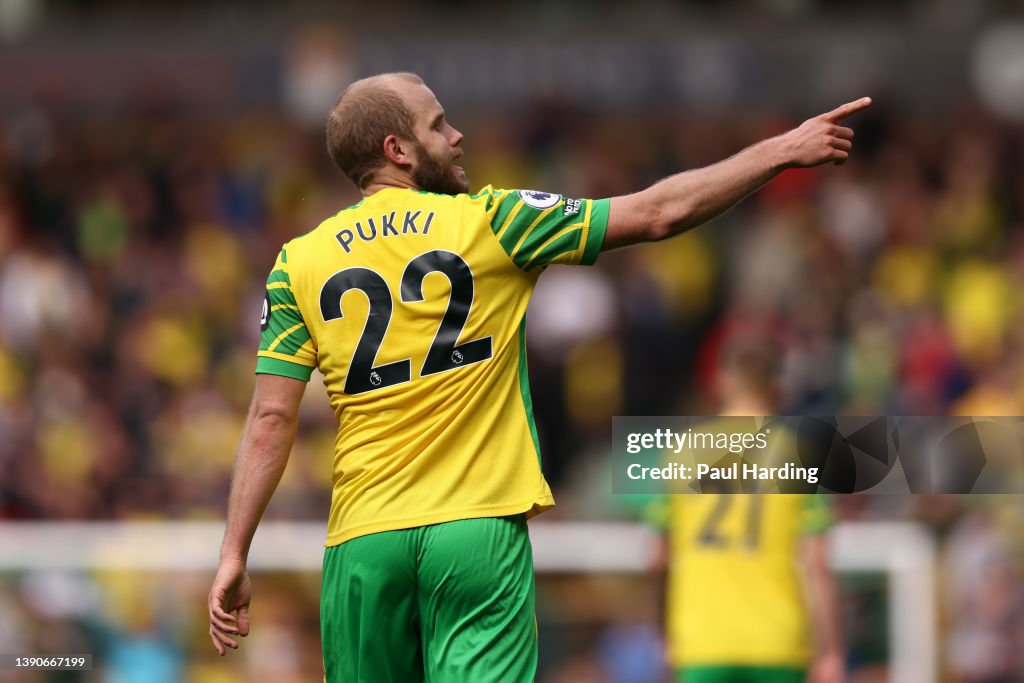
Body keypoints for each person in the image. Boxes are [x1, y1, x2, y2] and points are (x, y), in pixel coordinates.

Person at [206, 71, 869, 682]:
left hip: (362, 540)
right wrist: (779, 151)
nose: (457, 135)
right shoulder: (495, 219)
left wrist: (235, 550)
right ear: (398, 150)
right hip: (476, 533)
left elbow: (270, 417)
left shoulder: (297, 263)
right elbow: (657, 212)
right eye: (438, 125)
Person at [650, 336, 845, 683]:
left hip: (700, 641)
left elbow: (660, 558)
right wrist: (830, 650)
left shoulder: (682, 451)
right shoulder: (797, 453)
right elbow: (816, 564)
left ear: (720, 382)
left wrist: (662, 636)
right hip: (778, 641)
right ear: (776, 386)